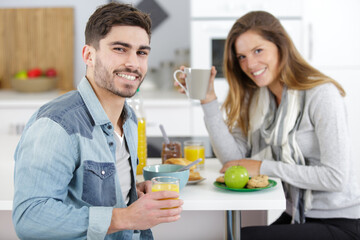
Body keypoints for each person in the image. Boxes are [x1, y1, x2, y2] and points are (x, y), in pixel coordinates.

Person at [175, 11, 360, 240]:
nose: (250, 64)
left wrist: (263, 167)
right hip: (297, 215)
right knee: (234, 234)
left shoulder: (321, 95)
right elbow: (233, 161)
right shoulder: (256, 99)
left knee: (244, 237)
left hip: (342, 221)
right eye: (241, 56)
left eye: (258, 50)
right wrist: (207, 100)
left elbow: (335, 177)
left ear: (281, 46)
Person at [12, 3, 183, 240]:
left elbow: (105, 189)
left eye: (141, 52)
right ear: (89, 55)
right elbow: (29, 218)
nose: (133, 63)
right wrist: (126, 217)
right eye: (120, 49)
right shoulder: (56, 125)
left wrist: (134, 191)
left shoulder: (129, 119)